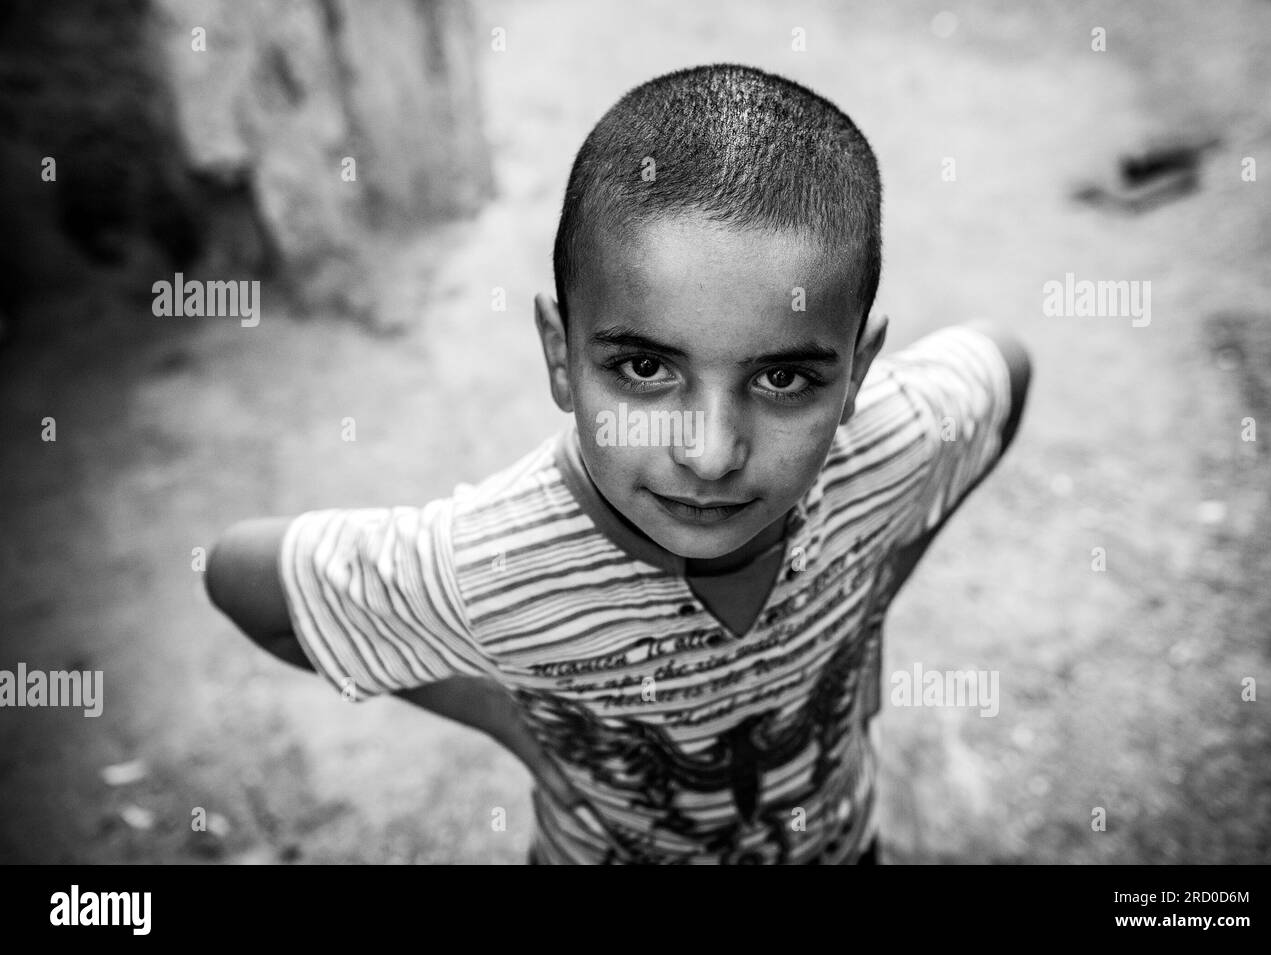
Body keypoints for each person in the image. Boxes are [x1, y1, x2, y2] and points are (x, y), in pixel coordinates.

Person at [204, 63, 1031, 864]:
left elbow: (1005, 368)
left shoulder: (890, 444)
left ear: (856, 373)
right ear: (561, 359)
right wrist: (515, 723)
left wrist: (877, 585)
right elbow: (242, 576)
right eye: (644, 369)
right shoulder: (494, 563)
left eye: (782, 378)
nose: (710, 454)